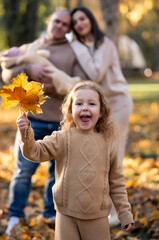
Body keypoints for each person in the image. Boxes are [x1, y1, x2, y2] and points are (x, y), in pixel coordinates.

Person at [1, 10, 87, 235]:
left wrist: (49, 87)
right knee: (23, 171)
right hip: (32, 121)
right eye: (56, 21)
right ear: (49, 21)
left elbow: (79, 85)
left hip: (61, 123)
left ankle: (50, 213)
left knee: (55, 173)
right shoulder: (31, 47)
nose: (59, 25)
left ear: (68, 29)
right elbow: (7, 73)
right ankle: (15, 216)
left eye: (64, 24)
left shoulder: (73, 53)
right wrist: (29, 69)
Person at [17, 81, 134, 240]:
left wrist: (124, 213)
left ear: (101, 112)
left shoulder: (109, 144)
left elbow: (117, 182)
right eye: (79, 103)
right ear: (70, 111)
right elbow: (35, 152)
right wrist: (26, 133)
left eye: (91, 103)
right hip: (66, 216)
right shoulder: (62, 138)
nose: (85, 107)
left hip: (98, 217)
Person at [70, 6, 134, 226]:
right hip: (100, 106)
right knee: (100, 156)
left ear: (90, 20)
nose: (79, 23)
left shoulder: (104, 43)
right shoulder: (84, 47)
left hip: (117, 102)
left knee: (113, 155)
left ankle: (117, 213)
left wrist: (76, 45)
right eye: (75, 22)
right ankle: (105, 209)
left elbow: (96, 73)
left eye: (82, 18)